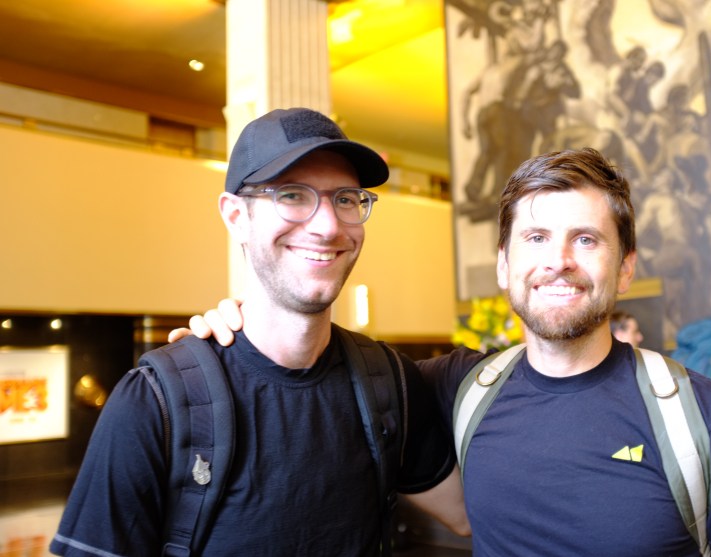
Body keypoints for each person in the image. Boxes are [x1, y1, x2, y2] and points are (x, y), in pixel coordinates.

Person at [182, 148, 711, 555]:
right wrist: (229, 341)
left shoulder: (703, 415)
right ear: (505, 266)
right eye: (536, 238)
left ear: (625, 268)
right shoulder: (457, 387)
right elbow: (308, 375)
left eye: (586, 239)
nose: (558, 261)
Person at [50, 108, 468, 556]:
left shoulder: (389, 383)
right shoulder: (156, 401)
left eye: (346, 199)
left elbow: (469, 516)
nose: (328, 225)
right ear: (236, 216)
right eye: (292, 195)